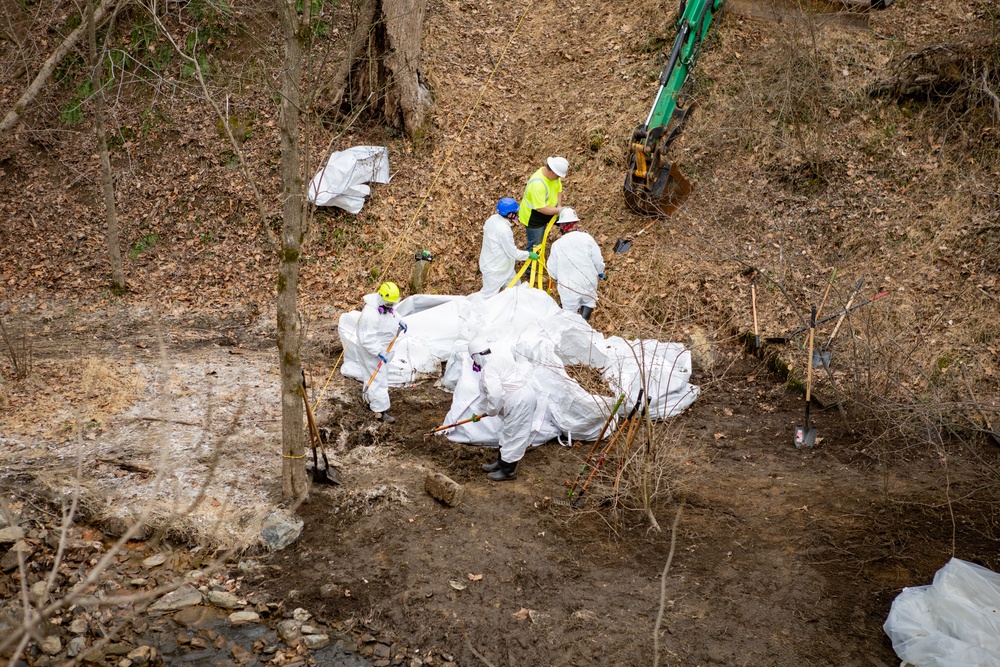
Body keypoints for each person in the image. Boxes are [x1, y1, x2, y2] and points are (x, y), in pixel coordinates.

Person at [467, 336, 537, 481]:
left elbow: (495, 395)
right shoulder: (496, 359)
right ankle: (500, 462)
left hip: (520, 400)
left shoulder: (489, 368)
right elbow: (485, 393)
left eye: (473, 359)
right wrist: (478, 412)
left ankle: (508, 471)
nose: (474, 363)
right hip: (520, 398)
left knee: (514, 434)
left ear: (476, 355)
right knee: (507, 432)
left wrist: (491, 411)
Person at [356, 281, 407, 423]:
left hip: (384, 347)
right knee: (378, 379)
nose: (391, 306)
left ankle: (370, 400)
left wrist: (400, 321)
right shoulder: (370, 314)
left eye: (392, 304)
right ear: (381, 297)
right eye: (388, 304)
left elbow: (393, 314)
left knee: (376, 377)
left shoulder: (386, 307)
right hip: (371, 351)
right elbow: (367, 338)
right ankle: (379, 411)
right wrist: (378, 351)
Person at [546, 207, 606, 322]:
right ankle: (584, 324)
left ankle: (574, 328)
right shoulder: (587, 238)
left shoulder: (557, 245)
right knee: (588, 302)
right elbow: (597, 260)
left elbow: (552, 268)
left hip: (567, 286)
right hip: (588, 281)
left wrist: (557, 278)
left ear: (561, 226)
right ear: (576, 224)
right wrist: (600, 272)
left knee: (569, 313)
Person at [479, 197, 538, 296]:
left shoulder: (492, 219)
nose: (517, 214)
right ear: (510, 214)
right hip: (494, 270)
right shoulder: (504, 230)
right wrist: (529, 254)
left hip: (504, 266)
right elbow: (513, 253)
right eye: (515, 212)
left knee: (517, 290)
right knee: (487, 297)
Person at [518, 156, 568, 252]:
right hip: (534, 216)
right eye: (558, 176)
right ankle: (532, 261)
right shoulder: (537, 184)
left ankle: (569, 250)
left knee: (569, 223)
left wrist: (559, 206)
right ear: (553, 172)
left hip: (551, 209)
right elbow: (541, 208)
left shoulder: (554, 176)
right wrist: (559, 211)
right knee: (536, 247)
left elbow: (559, 190)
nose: (559, 178)